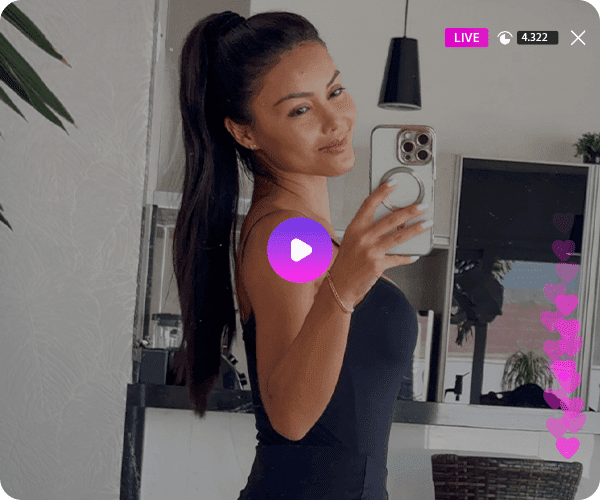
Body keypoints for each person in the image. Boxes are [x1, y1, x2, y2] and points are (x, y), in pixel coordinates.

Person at [171, 10, 431, 500]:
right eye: (300, 110)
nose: (335, 121)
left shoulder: (305, 235)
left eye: (335, 91)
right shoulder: (294, 236)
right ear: (245, 132)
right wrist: (345, 286)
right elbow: (290, 417)